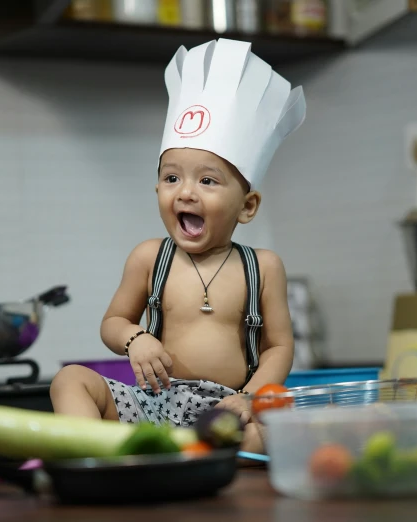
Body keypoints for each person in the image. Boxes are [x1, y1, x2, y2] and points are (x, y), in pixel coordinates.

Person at [49, 37, 307, 454]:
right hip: (150, 403)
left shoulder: (263, 266)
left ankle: (170, 454)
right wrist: (135, 339)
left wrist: (250, 396)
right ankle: (96, 454)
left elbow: (279, 345)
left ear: (247, 206)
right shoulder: (150, 257)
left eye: (207, 180)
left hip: (224, 410)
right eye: (172, 178)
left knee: (278, 431)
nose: (185, 193)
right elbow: (113, 322)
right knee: (69, 380)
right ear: (157, 189)